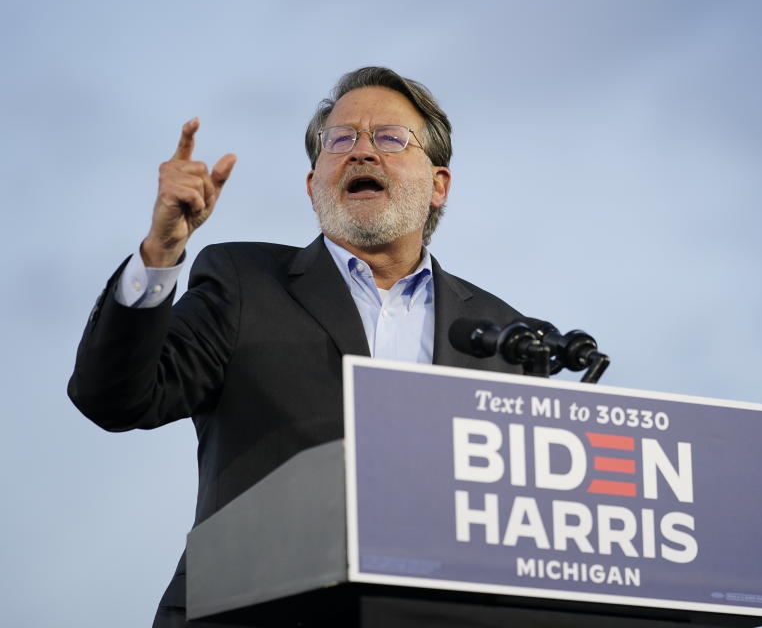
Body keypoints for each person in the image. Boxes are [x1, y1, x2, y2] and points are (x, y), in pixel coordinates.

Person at [68, 67, 524, 627]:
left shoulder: (505, 335)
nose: (361, 153)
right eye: (341, 140)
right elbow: (115, 397)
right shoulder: (244, 282)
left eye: (388, 138)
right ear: (313, 185)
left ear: (438, 185)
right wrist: (160, 249)